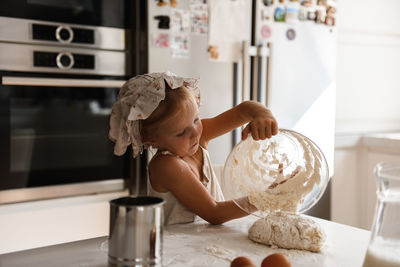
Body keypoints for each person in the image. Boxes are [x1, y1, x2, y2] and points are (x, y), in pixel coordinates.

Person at [109, 72, 278, 225]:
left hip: (208, 244)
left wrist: (262, 114)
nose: (195, 132)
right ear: (151, 140)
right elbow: (214, 213)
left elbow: (242, 111)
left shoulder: (197, 137)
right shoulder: (165, 166)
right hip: (180, 253)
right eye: (181, 132)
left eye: (196, 119)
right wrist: (265, 198)